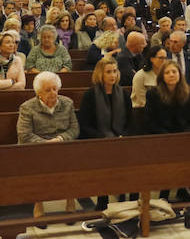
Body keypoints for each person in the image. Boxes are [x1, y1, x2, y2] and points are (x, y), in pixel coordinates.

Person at [16, 72, 79, 218]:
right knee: (38, 164)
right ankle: (38, 202)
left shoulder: (67, 103)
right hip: (36, 147)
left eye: (55, 89)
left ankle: (70, 198)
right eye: (48, 90)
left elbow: (74, 129)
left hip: (61, 145)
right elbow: (24, 135)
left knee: (73, 159)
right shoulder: (27, 107)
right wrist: (45, 144)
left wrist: (61, 139)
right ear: (38, 93)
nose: (53, 93)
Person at [78, 56, 132, 209]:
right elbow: (85, 124)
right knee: (103, 160)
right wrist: (102, 138)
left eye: (115, 71)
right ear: (100, 74)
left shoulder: (124, 94)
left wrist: (124, 136)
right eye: (108, 72)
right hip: (98, 141)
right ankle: (103, 200)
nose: (112, 75)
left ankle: (123, 196)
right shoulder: (90, 96)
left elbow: (130, 121)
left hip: (121, 140)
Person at [145, 61, 190, 202]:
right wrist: (166, 136)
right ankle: (164, 192)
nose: (171, 75)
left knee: (185, 153)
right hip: (161, 137)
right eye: (167, 72)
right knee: (168, 156)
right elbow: (150, 121)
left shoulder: (189, 92)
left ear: (180, 74)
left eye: (174, 71)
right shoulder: (153, 94)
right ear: (162, 76)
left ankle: (182, 189)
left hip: (182, 137)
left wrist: (185, 135)